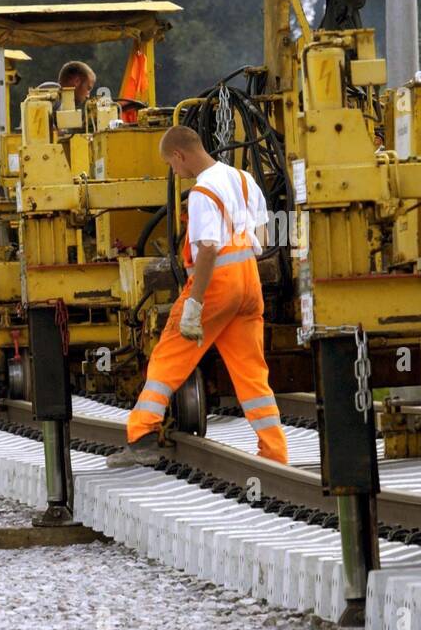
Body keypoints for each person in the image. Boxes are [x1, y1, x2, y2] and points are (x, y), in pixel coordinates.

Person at [106, 125, 289, 467]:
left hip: (217, 282)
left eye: (172, 165)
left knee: (168, 356)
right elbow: (262, 234)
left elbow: (207, 248)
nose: (175, 172)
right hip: (250, 281)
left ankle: (143, 435)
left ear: (180, 154)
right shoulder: (244, 179)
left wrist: (195, 302)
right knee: (251, 372)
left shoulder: (203, 191)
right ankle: (275, 453)